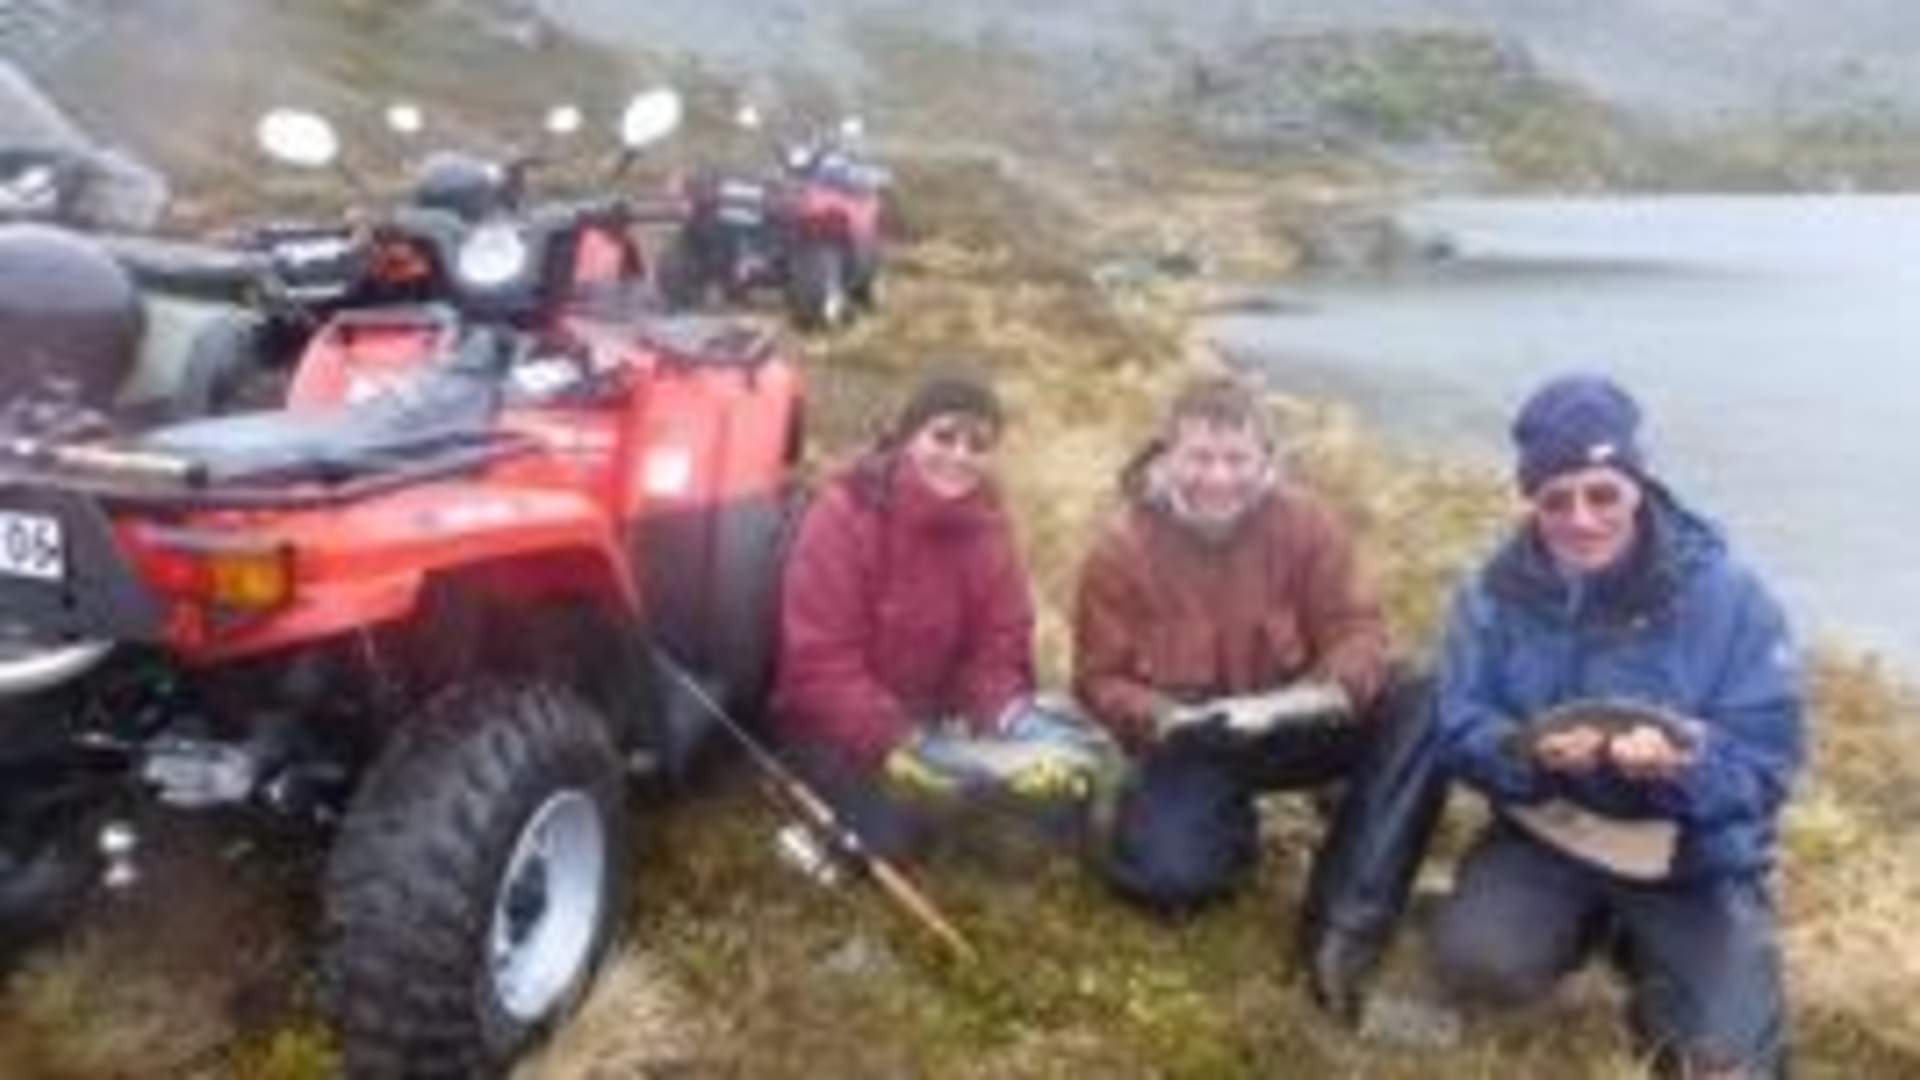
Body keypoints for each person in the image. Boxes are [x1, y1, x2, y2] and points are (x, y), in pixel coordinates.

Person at [1427, 374, 1803, 1079]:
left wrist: (1683, 770)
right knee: (1475, 965)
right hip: (1552, 832)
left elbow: (1765, 766)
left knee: (1728, 1062)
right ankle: (1580, 923)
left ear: (1638, 484)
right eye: (1555, 499)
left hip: (1690, 857)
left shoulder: (1732, 598)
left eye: (1603, 493)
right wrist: (1529, 757)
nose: (1582, 518)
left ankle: (1657, 948)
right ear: (1530, 500)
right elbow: (1460, 723)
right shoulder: (1490, 595)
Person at [1072, 373, 1447, 1019]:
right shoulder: (1119, 549)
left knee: (1425, 696)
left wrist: (1335, 686)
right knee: (1172, 883)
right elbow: (1097, 680)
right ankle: (1212, 822)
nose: (1219, 478)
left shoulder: (1307, 526)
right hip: (1193, 741)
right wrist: (1159, 716)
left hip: (1297, 719)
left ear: (1265, 459)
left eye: (1237, 459)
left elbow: (1359, 630)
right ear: (1166, 455)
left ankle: (1343, 929)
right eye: (1200, 458)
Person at [774, 370, 1113, 861]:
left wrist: (1006, 716)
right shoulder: (843, 513)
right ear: (909, 436)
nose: (958, 455)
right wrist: (900, 740)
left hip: (938, 725)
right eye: (944, 435)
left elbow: (999, 647)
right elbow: (819, 667)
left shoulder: (990, 526)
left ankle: (982, 789)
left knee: (1062, 802)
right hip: (832, 728)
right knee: (899, 833)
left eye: (977, 444)